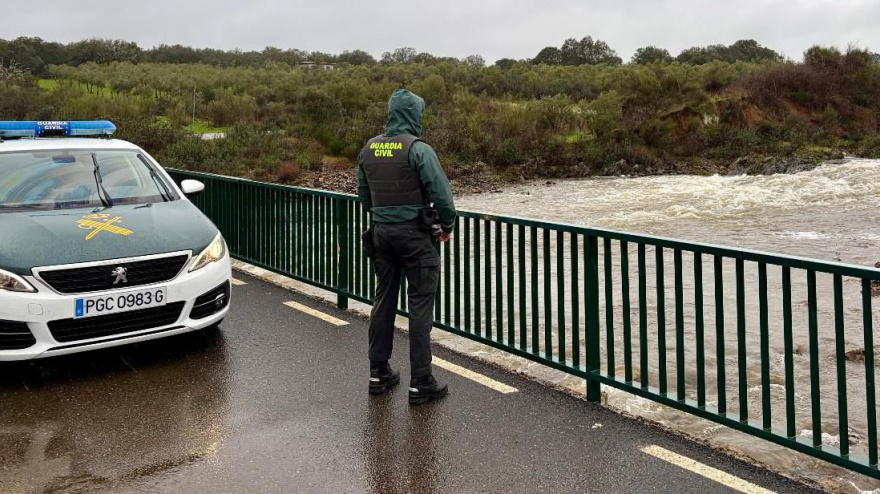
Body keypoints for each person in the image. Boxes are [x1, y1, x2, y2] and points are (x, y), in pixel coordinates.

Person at [357, 89, 456, 405]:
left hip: (382, 234)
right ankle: (421, 381)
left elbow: (364, 194)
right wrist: (447, 225)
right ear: (413, 115)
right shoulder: (418, 149)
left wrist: (382, 216)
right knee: (419, 306)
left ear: (390, 113)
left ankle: (378, 372)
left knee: (384, 299)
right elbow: (441, 195)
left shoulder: (370, 148)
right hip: (414, 236)